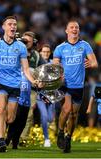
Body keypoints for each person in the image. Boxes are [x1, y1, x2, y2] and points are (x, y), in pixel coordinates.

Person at [0, 16, 40, 152]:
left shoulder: (21, 47)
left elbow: (25, 69)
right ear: (4, 27)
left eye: (15, 24)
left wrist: (33, 81)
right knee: (1, 109)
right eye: (10, 24)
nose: (13, 26)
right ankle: (1, 141)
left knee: (10, 118)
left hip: (15, 84)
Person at [53, 20, 98, 153]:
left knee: (73, 114)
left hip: (78, 86)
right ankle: (60, 131)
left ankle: (68, 138)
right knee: (66, 110)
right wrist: (58, 73)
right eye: (71, 27)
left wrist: (90, 64)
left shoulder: (85, 46)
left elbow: (95, 63)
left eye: (77, 27)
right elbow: (55, 65)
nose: (74, 29)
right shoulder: (60, 48)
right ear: (66, 31)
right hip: (65, 85)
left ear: (79, 31)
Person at [19, 31, 40, 145]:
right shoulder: (15, 51)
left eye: (28, 41)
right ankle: (11, 136)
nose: (26, 43)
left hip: (31, 89)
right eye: (24, 40)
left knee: (29, 115)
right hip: (16, 87)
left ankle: (23, 138)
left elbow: (43, 69)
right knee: (13, 113)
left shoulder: (36, 55)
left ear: (34, 43)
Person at [36, 44, 55, 147]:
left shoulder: (53, 64)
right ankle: (46, 139)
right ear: (40, 52)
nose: (46, 54)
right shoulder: (37, 64)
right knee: (44, 116)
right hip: (40, 95)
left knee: (50, 119)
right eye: (44, 52)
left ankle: (46, 127)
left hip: (51, 95)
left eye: (48, 52)